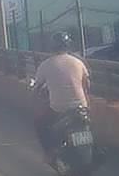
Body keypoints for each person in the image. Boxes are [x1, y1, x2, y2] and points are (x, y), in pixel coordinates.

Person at [32, 32, 90, 164]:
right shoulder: (78, 62)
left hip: (59, 109)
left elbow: (37, 87)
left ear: (52, 47)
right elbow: (87, 84)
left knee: (39, 123)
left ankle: (49, 153)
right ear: (68, 46)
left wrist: (34, 98)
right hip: (82, 107)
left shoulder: (46, 64)